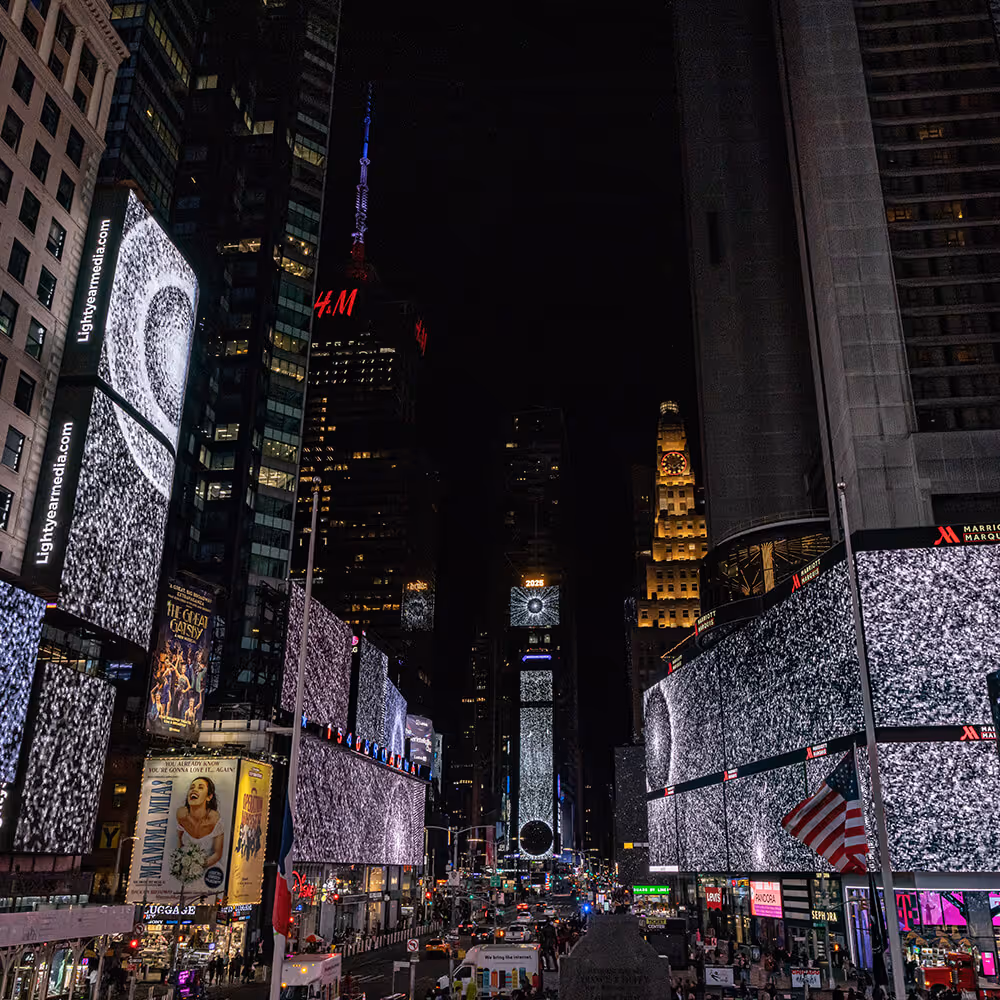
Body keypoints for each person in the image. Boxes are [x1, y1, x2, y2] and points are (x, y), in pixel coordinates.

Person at [176, 776, 225, 875]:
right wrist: (181, 863)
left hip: (209, 870)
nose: (194, 790)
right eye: (192, 787)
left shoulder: (215, 820)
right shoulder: (181, 815)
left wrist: (196, 867)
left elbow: (217, 854)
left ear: (209, 797)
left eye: (200, 787)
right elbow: (179, 843)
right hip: (184, 869)